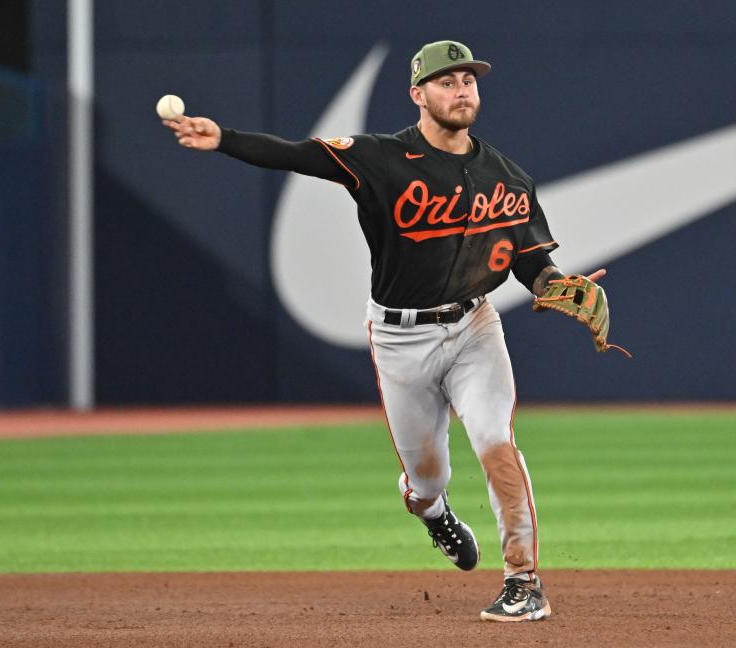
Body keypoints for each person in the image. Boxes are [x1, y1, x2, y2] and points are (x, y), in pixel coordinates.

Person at [163, 39, 609, 622]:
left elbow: (527, 259)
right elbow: (297, 155)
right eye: (447, 82)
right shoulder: (380, 158)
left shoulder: (508, 176)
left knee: (496, 441)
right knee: (427, 481)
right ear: (418, 94)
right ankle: (431, 512)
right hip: (400, 340)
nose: (461, 90)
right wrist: (223, 139)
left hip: (475, 327)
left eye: (469, 80)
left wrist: (552, 283)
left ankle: (523, 580)